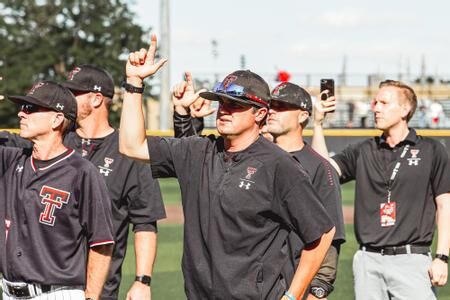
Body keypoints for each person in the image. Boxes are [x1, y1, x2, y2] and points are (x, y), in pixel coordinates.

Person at [119, 36, 336, 299]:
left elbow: (323, 232)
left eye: (235, 104)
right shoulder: (197, 150)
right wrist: (134, 83)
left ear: (260, 113)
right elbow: (132, 146)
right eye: (221, 102)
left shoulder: (279, 164)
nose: (224, 110)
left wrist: (293, 296)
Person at [0, 64, 167, 300]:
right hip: (30, 281)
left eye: (74, 92)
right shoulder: (51, 143)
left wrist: (142, 280)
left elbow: (145, 221)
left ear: (97, 99)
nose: (67, 96)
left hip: (95, 286)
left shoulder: (126, 151)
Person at [171, 79, 346, 299]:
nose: (273, 111)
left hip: (291, 289)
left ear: (303, 115)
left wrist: (315, 293)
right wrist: (188, 120)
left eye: (282, 107)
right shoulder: (253, 155)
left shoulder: (318, 167)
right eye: (272, 105)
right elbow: (196, 163)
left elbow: (328, 239)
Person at [312, 79, 450, 300]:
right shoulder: (363, 149)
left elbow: (445, 206)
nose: (375, 108)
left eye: (384, 103)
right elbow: (323, 173)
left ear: (405, 109)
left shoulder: (431, 150)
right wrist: (318, 125)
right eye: (375, 102)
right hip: (368, 261)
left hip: (412, 259)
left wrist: (442, 257)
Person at [0, 81, 114, 299]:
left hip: (58, 293)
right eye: (23, 108)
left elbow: (101, 243)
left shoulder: (81, 172)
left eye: (31, 108)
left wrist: (90, 297)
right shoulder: (10, 160)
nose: (21, 113)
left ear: (57, 119)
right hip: (9, 293)